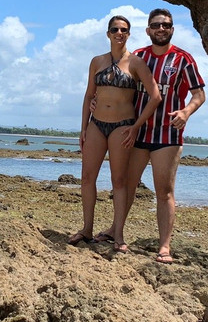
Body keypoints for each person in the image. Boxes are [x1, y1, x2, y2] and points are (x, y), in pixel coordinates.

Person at [69, 16, 161, 253]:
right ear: (108, 33)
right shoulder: (96, 61)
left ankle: (118, 235)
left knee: (119, 181)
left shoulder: (137, 63)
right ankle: (87, 228)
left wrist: (137, 126)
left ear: (129, 34)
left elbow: (155, 96)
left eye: (124, 30)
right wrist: (83, 127)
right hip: (96, 126)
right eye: (115, 29)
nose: (120, 33)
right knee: (87, 178)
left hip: (122, 126)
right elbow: (89, 95)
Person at [125, 8, 206, 263]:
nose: (161, 29)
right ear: (148, 30)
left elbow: (199, 94)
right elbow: (118, 86)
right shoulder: (137, 56)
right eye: (156, 25)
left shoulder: (183, 58)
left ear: (172, 29)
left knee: (165, 192)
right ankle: (116, 233)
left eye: (166, 25)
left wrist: (187, 112)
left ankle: (164, 247)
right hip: (137, 131)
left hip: (167, 134)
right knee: (126, 186)